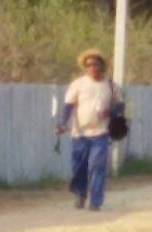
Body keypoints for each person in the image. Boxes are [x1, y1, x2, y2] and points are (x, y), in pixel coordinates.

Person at [56, 48, 125, 211]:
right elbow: (68, 106)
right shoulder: (78, 84)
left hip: (101, 133)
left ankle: (96, 201)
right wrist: (62, 123)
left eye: (95, 64)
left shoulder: (111, 86)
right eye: (88, 65)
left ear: (102, 66)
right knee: (78, 167)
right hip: (79, 134)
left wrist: (111, 112)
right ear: (85, 67)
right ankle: (80, 193)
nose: (92, 67)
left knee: (97, 166)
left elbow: (121, 106)